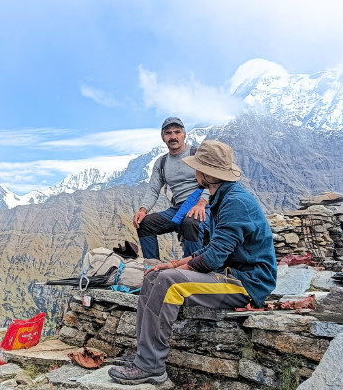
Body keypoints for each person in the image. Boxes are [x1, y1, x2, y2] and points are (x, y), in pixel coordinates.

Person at [109, 140, 278, 385]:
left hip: (246, 283)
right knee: (155, 275)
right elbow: (212, 247)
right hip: (228, 272)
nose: (194, 172)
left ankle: (151, 367)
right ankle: (143, 356)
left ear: (207, 174)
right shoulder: (222, 197)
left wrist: (178, 270)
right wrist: (174, 263)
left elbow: (212, 258)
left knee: (168, 283)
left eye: (197, 168)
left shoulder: (235, 203)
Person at [133, 117, 211, 261]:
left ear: (184, 134)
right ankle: (152, 268)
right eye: (168, 133)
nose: (173, 136)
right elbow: (153, 189)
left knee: (191, 222)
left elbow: (212, 182)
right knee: (145, 224)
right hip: (179, 208)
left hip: (205, 205)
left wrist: (201, 204)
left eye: (177, 132)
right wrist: (142, 210)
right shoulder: (162, 163)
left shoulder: (197, 154)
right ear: (163, 137)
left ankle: (191, 267)